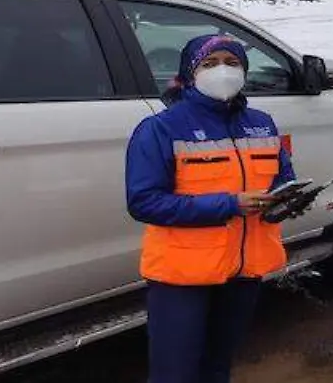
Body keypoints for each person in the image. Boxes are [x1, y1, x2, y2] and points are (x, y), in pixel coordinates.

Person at [126, 35, 306, 383]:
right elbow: (144, 201)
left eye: (232, 63)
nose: (223, 71)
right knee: (174, 374)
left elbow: (283, 176)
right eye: (210, 64)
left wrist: (285, 202)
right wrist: (230, 204)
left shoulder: (262, 123)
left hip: (243, 271)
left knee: (218, 366)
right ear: (189, 73)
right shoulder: (160, 128)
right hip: (182, 276)